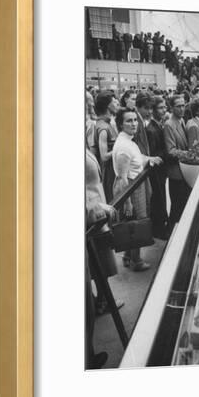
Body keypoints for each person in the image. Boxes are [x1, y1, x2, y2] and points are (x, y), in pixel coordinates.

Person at [85, 148, 124, 368]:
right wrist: (98, 208)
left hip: (95, 216)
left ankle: (99, 301)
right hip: (91, 219)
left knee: (99, 265)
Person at [112, 108, 163, 271]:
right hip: (131, 189)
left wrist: (149, 158)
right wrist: (127, 202)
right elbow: (122, 178)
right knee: (137, 223)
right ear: (120, 124)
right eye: (129, 121)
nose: (134, 124)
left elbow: (137, 158)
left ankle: (128, 256)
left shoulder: (128, 141)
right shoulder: (124, 146)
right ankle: (137, 261)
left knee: (131, 223)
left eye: (135, 120)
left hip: (136, 186)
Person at [163, 94, 191, 229]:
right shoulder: (169, 125)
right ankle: (171, 233)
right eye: (178, 106)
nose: (182, 108)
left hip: (184, 170)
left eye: (183, 105)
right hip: (176, 173)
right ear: (171, 108)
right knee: (176, 207)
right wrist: (190, 154)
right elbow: (171, 150)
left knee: (183, 204)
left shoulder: (182, 121)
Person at [146, 96, 169, 239]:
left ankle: (161, 226)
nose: (164, 110)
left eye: (165, 107)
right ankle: (158, 230)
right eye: (161, 108)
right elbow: (154, 153)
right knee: (158, 198)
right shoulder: (151, 129)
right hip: (156, 170)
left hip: (161, 169)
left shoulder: (158, 125)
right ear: (153, 110)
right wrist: (167, 153)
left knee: (161, 198)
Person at [93, 91, 117, 202]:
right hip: (109, 173)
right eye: (114, 101)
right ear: (108, 106)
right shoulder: (103, 128)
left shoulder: (106, 124)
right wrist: (119, 148)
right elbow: (104, 156)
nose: (117, 103)